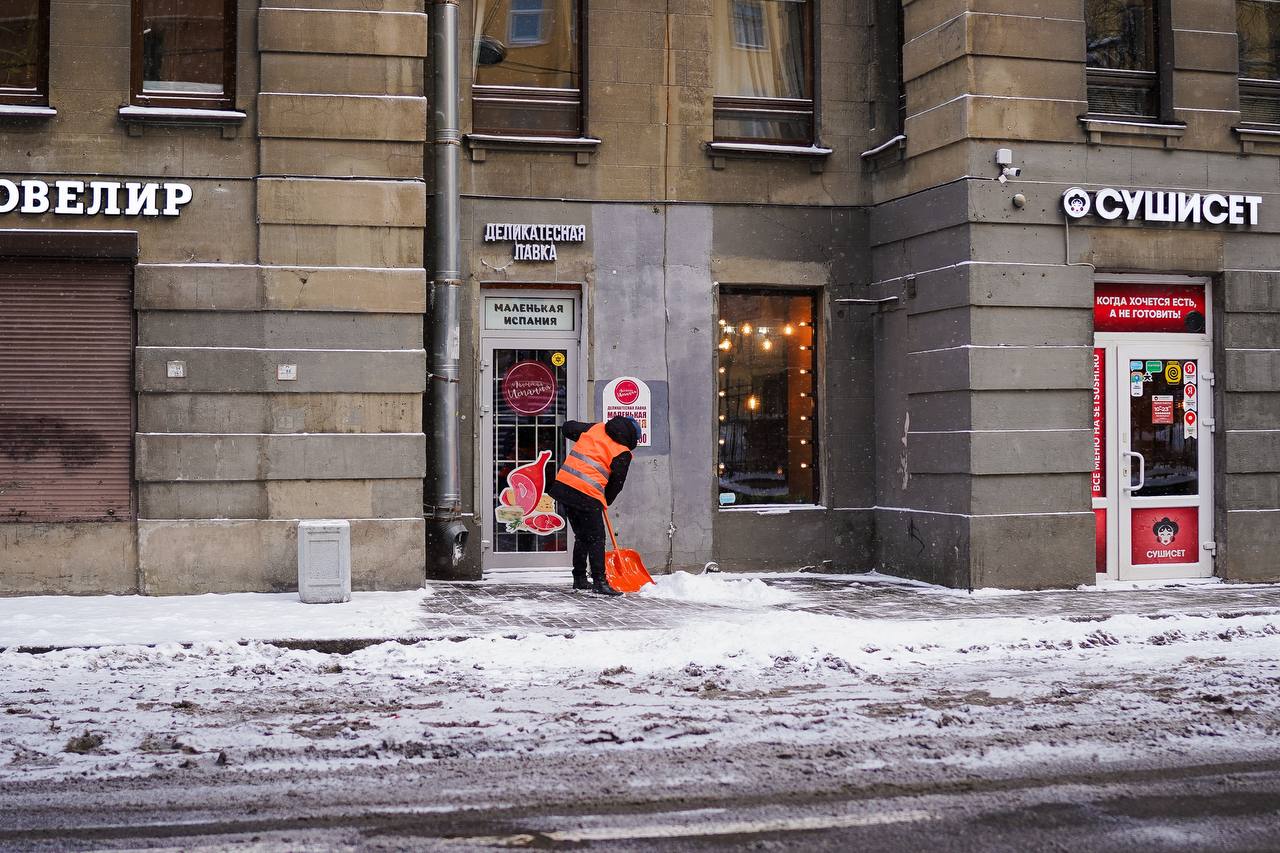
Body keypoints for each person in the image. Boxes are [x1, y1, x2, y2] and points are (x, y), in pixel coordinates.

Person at [547, 415, 640, 595]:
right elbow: (617, 483)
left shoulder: (595, 429)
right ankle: (600, 581)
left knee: (582, 536)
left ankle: (580, 578)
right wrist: (606, 500)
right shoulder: (623, 452)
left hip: (564, 489)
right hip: (586, 494)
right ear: (631, 437)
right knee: (596, 538)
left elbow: (567, 428)